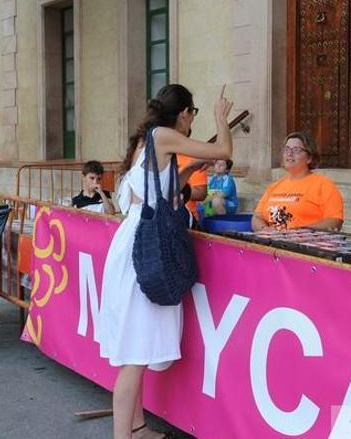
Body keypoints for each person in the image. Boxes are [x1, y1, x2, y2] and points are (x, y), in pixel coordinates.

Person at [97, 83, 233, 439]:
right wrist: (222, 118)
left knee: (136, 349)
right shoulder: (164, 136)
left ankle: (137, 428)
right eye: (194, 113)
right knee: (134, 355)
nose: (192, 120)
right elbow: (224, 149)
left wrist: (188, 170)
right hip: (147, 247)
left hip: (135, 243)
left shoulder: (149, 140)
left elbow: (162, 193)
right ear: (185, 113)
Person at [251, 131, 343, 231]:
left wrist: (298, 232)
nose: (289, 154)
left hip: (304, 243)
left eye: (296, 150)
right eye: (287, 149)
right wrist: (265, 229)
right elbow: (257, 218)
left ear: (309, 158)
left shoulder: (324, 185)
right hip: (272, 243)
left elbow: (335, 221)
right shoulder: (274, 186)